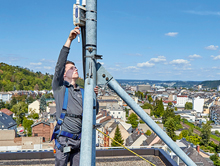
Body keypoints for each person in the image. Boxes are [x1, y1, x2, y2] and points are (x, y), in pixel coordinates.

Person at [52, 27, 98, 166]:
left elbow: (94, 112)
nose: (76, 69)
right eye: (71, 68)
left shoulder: (84, 92)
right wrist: (69, 40)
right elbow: (59, 65)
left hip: (79, 141)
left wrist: (95, 97)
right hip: (64, 140)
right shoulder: (60, 89)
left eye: (76, 67)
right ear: (64, 75)